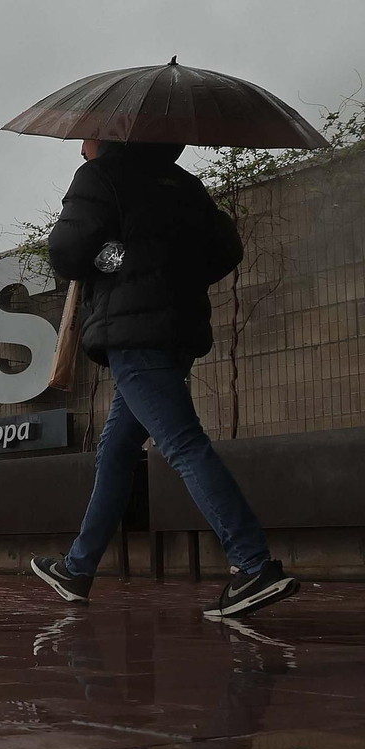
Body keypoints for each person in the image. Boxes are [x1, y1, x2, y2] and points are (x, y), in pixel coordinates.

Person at [30, 139, 298, 618]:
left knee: (182, 444)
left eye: (85, 138)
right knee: (116, 453)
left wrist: (111, 261)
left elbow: (67, 252)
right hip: (178, 328)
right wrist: (168, 270)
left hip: (134, 333)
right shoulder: (184, 184)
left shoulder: (101, 176)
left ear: (109, 137)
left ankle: (253, 565)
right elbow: (225, 249)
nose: (80, 147)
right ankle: (78, 568)